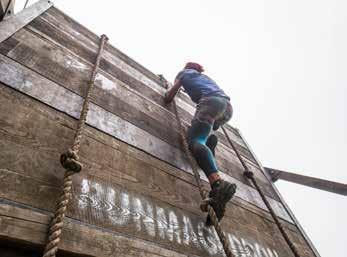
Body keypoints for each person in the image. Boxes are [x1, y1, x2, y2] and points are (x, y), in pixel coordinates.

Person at [164, 62, 237, 225]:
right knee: (206, 131)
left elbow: (170, 96)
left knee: (195, 140)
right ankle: (209, 145)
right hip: (226, 109)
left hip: (211, 102)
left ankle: (218, 184)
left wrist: (166, 95)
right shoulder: (205, 78)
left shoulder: (184, 73)